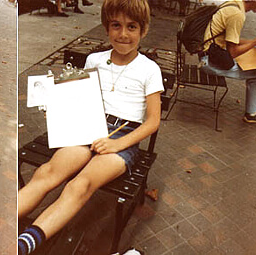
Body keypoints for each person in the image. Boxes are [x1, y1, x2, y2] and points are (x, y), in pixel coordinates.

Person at [17, 0, 164, 254]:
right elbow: (79, 99)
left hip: (123, 137)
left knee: (80, 185)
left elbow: (153, 121)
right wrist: (57, 112)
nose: (123, 34)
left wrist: (117, 144)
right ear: (107, 27)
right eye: (116, 25)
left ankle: (24, 244)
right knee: (47, 172)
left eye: (132, 27)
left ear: (143, 30)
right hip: (87, 125)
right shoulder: (94, 59)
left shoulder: (149, 70)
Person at [198, 0, 256, 123]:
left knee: (255, 59)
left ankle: (253, 110)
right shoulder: (237, 14)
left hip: (210, 53)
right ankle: (252, 113)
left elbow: (232, 40)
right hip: (210, 61)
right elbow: (232, 52)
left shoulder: (233, 4)